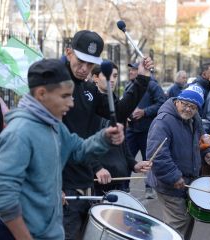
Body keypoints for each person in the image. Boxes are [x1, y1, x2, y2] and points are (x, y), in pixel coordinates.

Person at [0, 59, 125, 240]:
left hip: (50, 230)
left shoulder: (55, 126)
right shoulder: (19, 133)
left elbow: (78, 151)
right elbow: (3, 196)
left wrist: (105, 138)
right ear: (41, 93)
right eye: (65, 96)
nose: (71, 103)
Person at [61, 30, 154, 239]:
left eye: (90, 63)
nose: (84, 68)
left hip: (85, 186)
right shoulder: (54, 87)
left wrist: (142, 79)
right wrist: (53, 185)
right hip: (63, 188)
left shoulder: (88, 90)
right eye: (80, 61)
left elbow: (119, 112)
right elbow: (46, 142)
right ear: (68, 53)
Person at [146, 84, 210, 240]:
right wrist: (174, 177)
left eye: (193, 107)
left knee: (187, 221)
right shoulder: (163, 122)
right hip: (170, 183)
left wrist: (207, 153)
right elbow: (157, 155)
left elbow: (202, 139)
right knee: (176, 227)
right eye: (185, 104)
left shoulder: (195, 118)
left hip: (189, 181)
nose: (188, 109)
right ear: (177, 101)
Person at [91, 63, 152, 193]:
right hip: (99, 181)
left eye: (115, 76)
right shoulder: (93, 101)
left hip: (118, 179)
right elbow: (83, 144)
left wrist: (133, 164)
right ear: (95, 78)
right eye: (107, 76)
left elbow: (121, 143)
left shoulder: (112, 99)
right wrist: (97, 168)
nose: (112, 79)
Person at [124, 62, 166, 198]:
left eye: (134, 69)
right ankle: (124, 189)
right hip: (131, 129)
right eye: (130, 69)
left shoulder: (153, 85)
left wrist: (144, 112)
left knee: (148, 159)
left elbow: (162, 103)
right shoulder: (128, 85)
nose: (130, 72)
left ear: (142, 71)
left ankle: (149, 188)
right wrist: (127, 115)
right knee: (127, 158)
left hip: (147, 130)